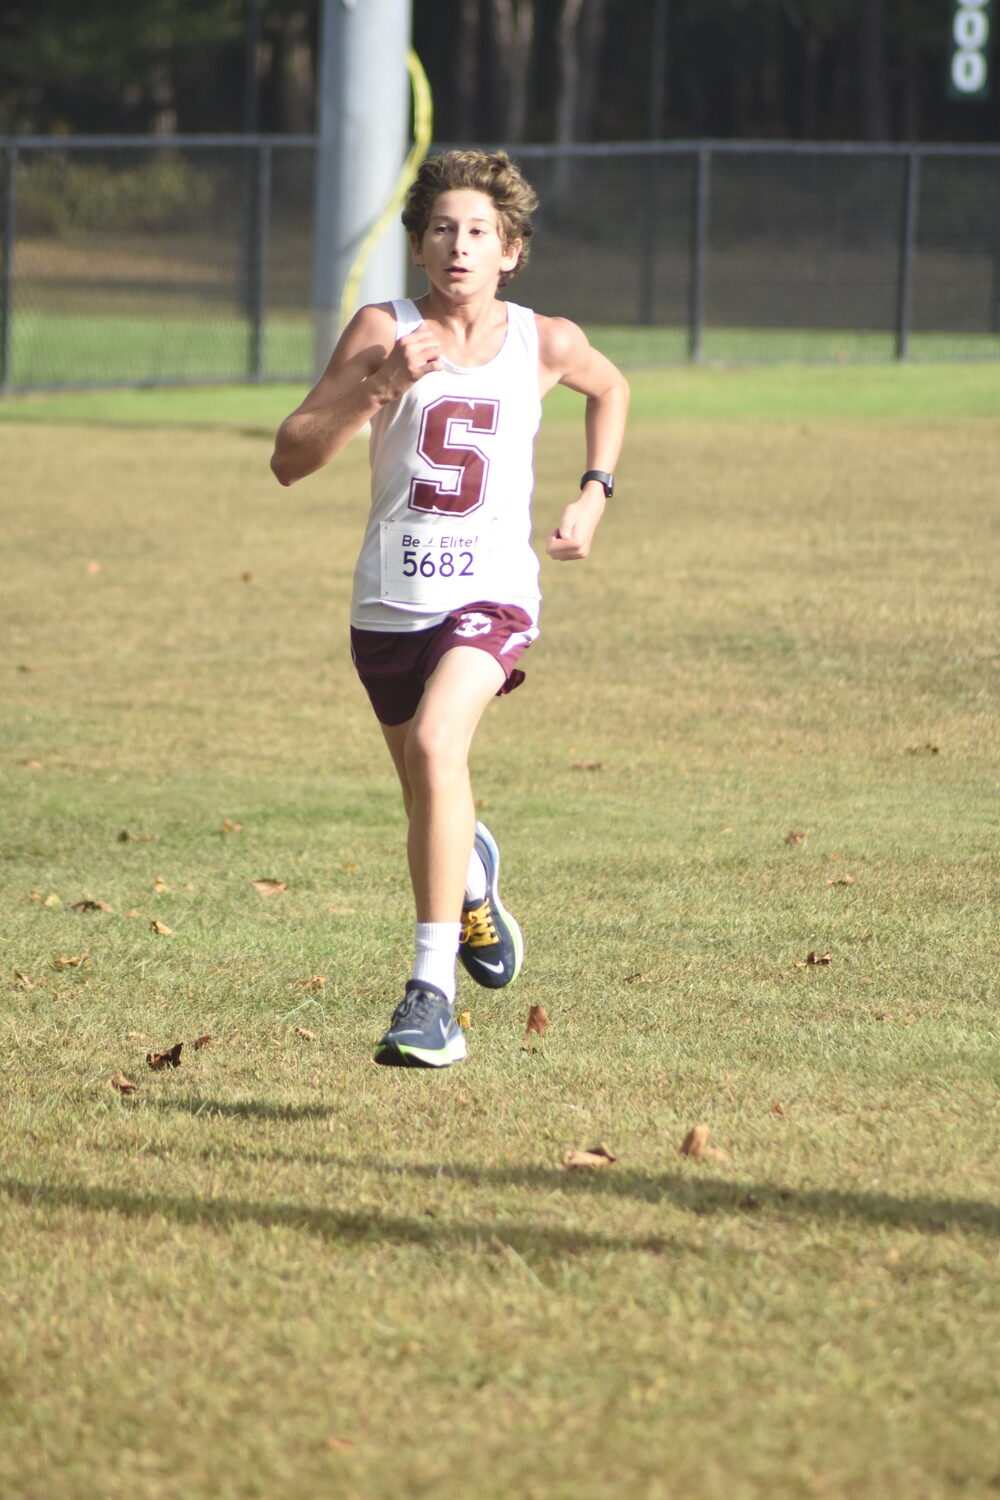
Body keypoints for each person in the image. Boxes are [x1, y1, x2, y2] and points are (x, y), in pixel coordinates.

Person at [270, 149, 628, 1069]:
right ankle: (471, 878)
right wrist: (378, 386)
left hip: (493, 593)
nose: (458, 246)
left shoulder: (540, 340)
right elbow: (290, 454)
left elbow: (611, 387)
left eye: (479, 232)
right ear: (419, 245)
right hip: (390, 600)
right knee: (426, 794)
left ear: (510, 251)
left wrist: (594, 493)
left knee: (438, 748)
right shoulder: (381, 328)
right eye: (441, 229)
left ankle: (431, 999)